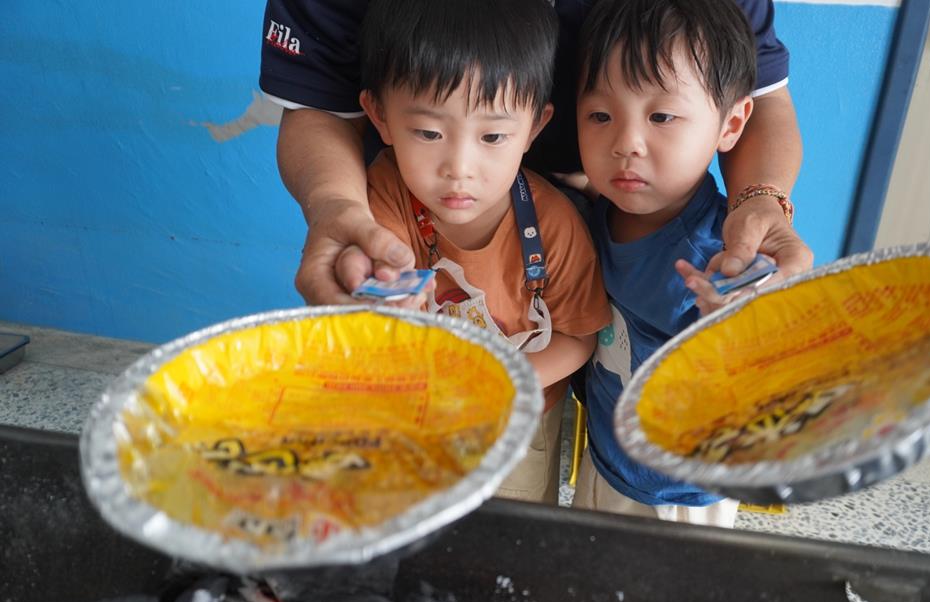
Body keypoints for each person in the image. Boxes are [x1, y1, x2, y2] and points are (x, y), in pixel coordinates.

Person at [259, 0, 812, 309]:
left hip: (610, 215)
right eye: (429, 131)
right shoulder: (395, 206)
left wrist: (762, 199)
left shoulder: (652, 247)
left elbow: (756, 94)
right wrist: (336, 206)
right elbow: (319, 104)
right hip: (407, 217)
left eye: (661, 117)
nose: (461, 164)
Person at [355, 0, 612, 504]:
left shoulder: (555, 225)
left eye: (493, 135)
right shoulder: (384, 192)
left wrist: (500, 387)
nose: (460, 167)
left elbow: (579, 336)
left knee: (511, 529)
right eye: (429, 133)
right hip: (415, 411)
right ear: (380, 116)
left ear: (534, 128)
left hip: (520, 422)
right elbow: (379, 280)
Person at [571, 0, 776, 526]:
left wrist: (731, 328)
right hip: (609, 462)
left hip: (683, 496)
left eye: (661, 116)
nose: (625, 144)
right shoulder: (600, 210)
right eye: (600, 116)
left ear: (730, 124)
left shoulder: (720, 260)